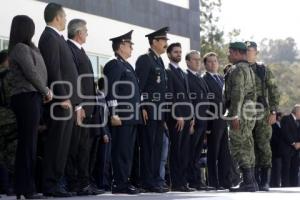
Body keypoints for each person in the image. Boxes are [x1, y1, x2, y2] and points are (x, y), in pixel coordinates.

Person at [38, 3, 81, 197]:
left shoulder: (58, 38)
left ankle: (56, 182)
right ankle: (50, 185)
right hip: (60, 103)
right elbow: (53, 70)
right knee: (56, 145)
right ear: (57, 17)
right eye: (64, 16)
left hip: (67, 102)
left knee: (63, 146)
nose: (65, 20)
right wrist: (63, 97)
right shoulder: (49, 37)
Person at [8, 15, 53, 199]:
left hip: (32, 96)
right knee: (28, 144)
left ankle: (23, 187)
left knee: (29, 144)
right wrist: (46, 91)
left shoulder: (29, 48)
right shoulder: (20, 48)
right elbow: (31, 72)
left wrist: (42, 91)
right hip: (26, 96)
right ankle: (26, 188)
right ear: (26, 29)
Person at [65, 18, 104, 196]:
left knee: (85, 150)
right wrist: (78, 105)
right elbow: (72, 80)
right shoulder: (69, 49)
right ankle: (75, 183)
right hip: (79, 109)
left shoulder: (80, 50)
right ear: (79, 33)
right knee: (76, 149)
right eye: (86, 31)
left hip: (89, 109)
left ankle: (84, 182)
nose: (87, 34)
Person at [103, 30, 141, 194]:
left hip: (131, 117)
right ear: (121, 46)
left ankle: (124, 181)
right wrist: (113, 113)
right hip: (121, 116)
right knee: (120, 151)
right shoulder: (113, 64)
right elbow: (111, 91)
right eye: (129, 44)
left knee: (127, 151)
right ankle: (119, 183)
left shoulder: (127, 65)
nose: (132, 47)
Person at [135, 27, 169, 193]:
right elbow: (138, 87)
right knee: (148, 146)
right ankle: (147, 180)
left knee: (157, 146)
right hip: (148, 109)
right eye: (163, 40)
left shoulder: (159, 61)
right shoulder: (145, 59)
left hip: (159, 111)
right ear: (154, 41)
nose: (166, 43)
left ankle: (156, 179)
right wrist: (141, 107)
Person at [245, 41, 280, 191]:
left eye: (250, 51)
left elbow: (273, 90)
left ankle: (264, 180)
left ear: (256, 53)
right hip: (245, 113)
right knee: (247, 146)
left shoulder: (263, 70)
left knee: (263, 145)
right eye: (245, 51)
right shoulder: (240, 69)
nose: (248, 53)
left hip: (262, 113)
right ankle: (250, 179)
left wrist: (273, 112)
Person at [224, 42, 257, 192]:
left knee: (239, 145)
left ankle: (248, 181)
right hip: (249, 110)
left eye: (230, 52)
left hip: (240, 111)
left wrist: (234, 115)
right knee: (247, 144)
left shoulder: (237, 69)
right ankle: (250, 181)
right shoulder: (249, 68)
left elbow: (238, 93)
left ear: (237, 53)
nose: (228, 55)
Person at [203, 52, 238, 189]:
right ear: (205, 64)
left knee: (225, 153)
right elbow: (206, 103)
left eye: (215, 61)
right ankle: (213, 181)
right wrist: (208, 124)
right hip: (213, 120)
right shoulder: (204, 79)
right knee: (213, 153)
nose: (213, 64)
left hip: (224, 120)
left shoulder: (222, 79)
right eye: (210, 62)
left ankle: (225, 181)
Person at [166, 43, 195, 192]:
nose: (178, 54)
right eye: (175, 52)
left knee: (184, 151)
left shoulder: (183, 73)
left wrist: (192, 117)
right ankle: (176, 183)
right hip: (176, 118)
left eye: (180, 52)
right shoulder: (167, 71)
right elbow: (170, 95)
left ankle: (183, 182)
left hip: (187, 117)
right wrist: (178, 115)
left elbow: (188, 96)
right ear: (169, 54)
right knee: (176, 150)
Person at [185, 50, 210, 190]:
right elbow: (188, 100)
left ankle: (197, 181)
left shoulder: (200, 78)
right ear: (188, 61)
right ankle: (192, 180)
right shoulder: (186, 76)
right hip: (193, 120)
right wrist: (191, 119)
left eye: (199, 60)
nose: (197, 62)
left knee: (197, 153)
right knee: (191, 151)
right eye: (194, 60)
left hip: (203, 120)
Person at [0, 50, 17, 196]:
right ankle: (9, 186)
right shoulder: (9, 76)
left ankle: (2, 185)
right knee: (11, 152)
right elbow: (13, 97)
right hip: (9, 118)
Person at [280, 105, 300, 187]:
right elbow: (285, 132)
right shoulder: (286, 119)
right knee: (286, 169)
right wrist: (293, 143)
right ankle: (285, 186)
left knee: (295, 170)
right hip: (287, 149)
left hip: (297, 150)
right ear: (297, 111)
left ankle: (294, 186)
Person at [270, 112, 282, 187]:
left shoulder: (281, 125)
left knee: (278, 169)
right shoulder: (272, 125)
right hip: (274, 150)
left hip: (279, 151)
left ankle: (277, 183)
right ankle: (273, 183)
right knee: (275, 168)